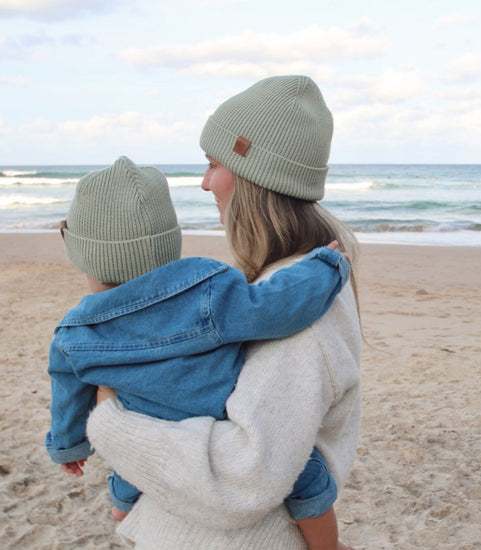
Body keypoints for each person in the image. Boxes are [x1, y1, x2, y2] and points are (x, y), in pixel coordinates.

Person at [87, 75, 362, 550]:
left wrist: (109, 421)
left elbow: (245, 474)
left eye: (214, 164)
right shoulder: (282, 289)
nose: (204, 182)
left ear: (256, 176)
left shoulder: (300, 310)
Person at [45, 156, 351, 543]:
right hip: (214, 420)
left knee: (130, 462)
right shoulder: (206, 292)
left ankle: (122, 505)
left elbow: (67, 394)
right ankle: (328, 545)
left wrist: (68, 445)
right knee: (307, 473)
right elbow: (274, 308)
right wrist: (324, 268)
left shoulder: (73, 334)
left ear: (80, 253)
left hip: (145, 432)